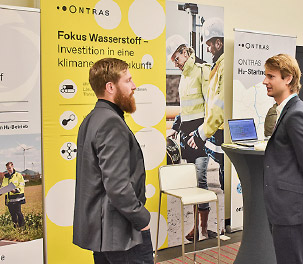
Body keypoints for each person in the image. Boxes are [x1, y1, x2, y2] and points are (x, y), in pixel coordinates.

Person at [73, 58, 153, 264]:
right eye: (128, 80)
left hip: (102, 235)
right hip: (122, 235)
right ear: (110, 87)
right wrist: (141, 218)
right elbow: (117, 186)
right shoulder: (111, 122)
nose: (134, 86)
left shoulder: (91, 119)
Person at [262, 54, 303, 264]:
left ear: (288, 79)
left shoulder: (296, 113)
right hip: (284, 207)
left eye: (271, 76)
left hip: (290, 208)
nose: (264, 81)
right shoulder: (286, 110)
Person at [165, 34, 215, 241]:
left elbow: (209, 106)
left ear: (185, 52)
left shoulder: (202, 71)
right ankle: (197, 226)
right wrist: (176, 126)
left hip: (200, 138)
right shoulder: (183, 76)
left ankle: (201, 228)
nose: (175, 63)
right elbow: (186, 109)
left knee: (201, 181)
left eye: (176, 58)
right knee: (194, 183)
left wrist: (202, 134)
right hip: (187, 137)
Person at [188, 17, 225, 191]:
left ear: (219, 43)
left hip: (222, 132)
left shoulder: (223, 65)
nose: (208, 49)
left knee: (226, 179)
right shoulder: (218, 65)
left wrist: (201, 133)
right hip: (216, 131)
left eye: (209, 44)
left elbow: (219, 106)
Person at [1, 162, 26, 228]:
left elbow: (21, 185)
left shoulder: (18, 175)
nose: (9, 169)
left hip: (17, 197)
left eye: (10, 168)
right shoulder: (5, 177)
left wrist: (15, 190)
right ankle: (15, 227)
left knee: (18, 212)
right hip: (9, 198)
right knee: (12, 214)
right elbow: (3, 186)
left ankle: (22, 227)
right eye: (7, 168)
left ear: (12, 166)